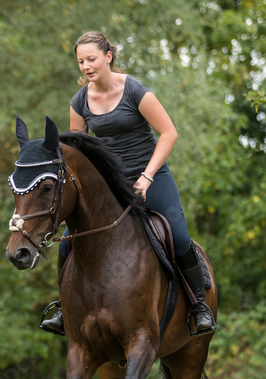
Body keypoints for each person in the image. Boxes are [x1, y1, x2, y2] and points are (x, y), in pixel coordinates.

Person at [40, 30, 216, 337]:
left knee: (178, 233)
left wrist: (147, 177)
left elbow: (169, 133)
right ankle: (62, 307)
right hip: (112, 184)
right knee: (69, 239)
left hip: (151, 175)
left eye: (91, 59)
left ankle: (199, 305)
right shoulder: (79, 102)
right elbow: (77, 152)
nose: (85, 66)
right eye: (81, 61)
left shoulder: (134, 90)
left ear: (108, 56)